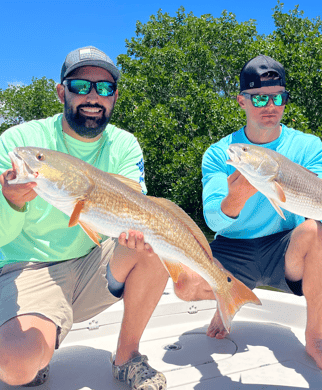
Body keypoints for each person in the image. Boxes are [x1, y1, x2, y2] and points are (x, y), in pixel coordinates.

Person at [174, 54, 322, 378]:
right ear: (241, 100)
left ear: (285, 100)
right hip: (233, 247)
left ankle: (315, 339)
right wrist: (237, 197)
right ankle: (227, 302)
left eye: (277, 97)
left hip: (285, 249)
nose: (269, 105)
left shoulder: (309, 146)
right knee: (184, 281)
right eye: (259, 97)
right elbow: (214, 220)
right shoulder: (221, 152)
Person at [0, 46, 168, 389]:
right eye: (80, 86)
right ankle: (38, 350)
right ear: (62, 91)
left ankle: (127, 357)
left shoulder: (124, 145)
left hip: (97, 259)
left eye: (104, 88)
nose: (93, 96)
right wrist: (11, 202)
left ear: (115, 97)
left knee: (156, 239)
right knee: (17, 368)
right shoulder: (19, 144)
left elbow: (134, 210)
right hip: (29, 267)